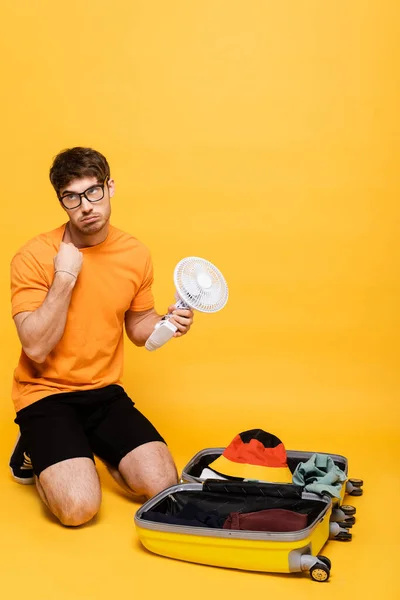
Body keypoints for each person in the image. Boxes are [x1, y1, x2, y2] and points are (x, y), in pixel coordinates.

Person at [9, 147, 194, 527]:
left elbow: (139, 328)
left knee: (164, 485)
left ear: (110, 187)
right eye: (72, 197)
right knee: (79, 509)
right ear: (61, 201)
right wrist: (65, 275)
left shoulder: (135, 253)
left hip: (104, 392)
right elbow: (36, 347)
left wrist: (167, 323)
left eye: (93, 191)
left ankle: (84, 443)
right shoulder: (33, 256)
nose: (86, 206)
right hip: (46, 393)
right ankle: (35, 444)